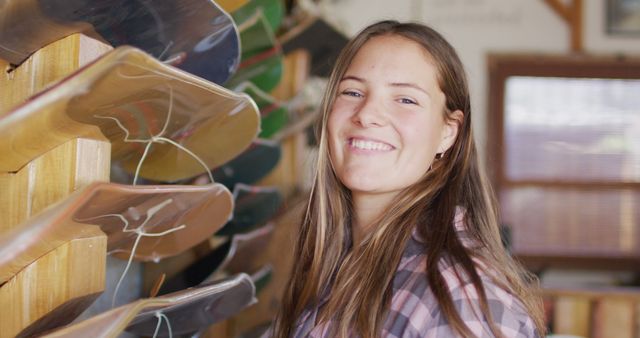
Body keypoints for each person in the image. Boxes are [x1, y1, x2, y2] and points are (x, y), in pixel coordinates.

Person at [270, 20, 545, 337]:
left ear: (447, 133)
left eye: (405, 99)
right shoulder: (338, 266)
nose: (367, 113)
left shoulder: (455, 299)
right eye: (352, 92)